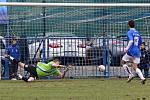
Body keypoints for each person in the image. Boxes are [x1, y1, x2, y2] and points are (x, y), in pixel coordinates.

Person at [121, 20, 146, 84]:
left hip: (131, 51)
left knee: (122, 62)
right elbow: (140, 43)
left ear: (128, 25)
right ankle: (142, 78)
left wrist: (126, 48)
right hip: (137, 51)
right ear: (135, 25)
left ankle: (130, 74)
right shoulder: (137, 32)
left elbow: (131, 41)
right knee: (135, 67)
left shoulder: (129, 32)